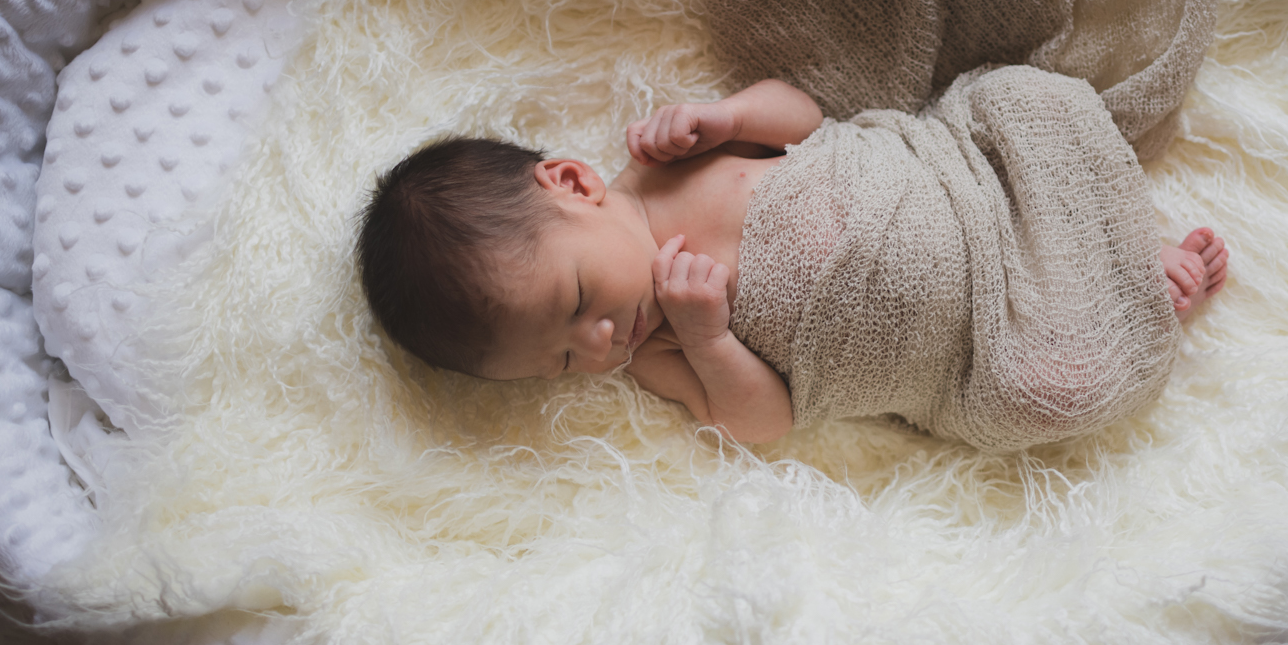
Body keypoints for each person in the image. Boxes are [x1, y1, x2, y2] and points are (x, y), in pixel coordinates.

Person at [358, 75, 1228, 447]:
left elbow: (810, 118)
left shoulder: (670, 158)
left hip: (959, 191)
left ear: (576, 183)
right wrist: (709, 341)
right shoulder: (661, 353)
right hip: (966, 342)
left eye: (578, 298)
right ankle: (1127, 299)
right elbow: (762, 423)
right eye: (558, 363)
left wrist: (729, 115)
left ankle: (1115, 243)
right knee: (1048, 389)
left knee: (1027, 103)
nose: (596, 343)